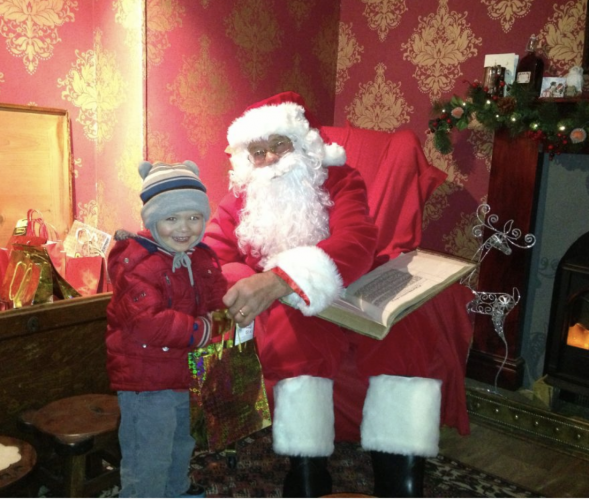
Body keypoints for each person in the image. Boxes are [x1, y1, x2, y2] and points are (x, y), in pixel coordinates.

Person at [205, 91, 446, 498]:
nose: (269, 160)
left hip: (349, 286)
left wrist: (282, 279)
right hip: (289, 308)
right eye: (257, 151)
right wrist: (247, 280)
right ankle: (307, 469)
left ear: (303, 143)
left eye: (279, 145)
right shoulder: (241, 199)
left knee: (406, 331)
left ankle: (400, 476)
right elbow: (212, 257)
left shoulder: (339, 179)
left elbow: (356, 241)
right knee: (295, 329)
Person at [106, 160, 227, 498]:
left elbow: (218, 297)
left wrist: (233, 311)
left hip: (183, 374)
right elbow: (149, 323)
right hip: (145, 382)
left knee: (181, 444)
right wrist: (205, 330)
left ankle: (177, 491)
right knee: (148, 456)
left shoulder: (202, 257)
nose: (184, 228)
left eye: (194, 217)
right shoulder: (137, 264)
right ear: (152, 220)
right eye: (171, 218)